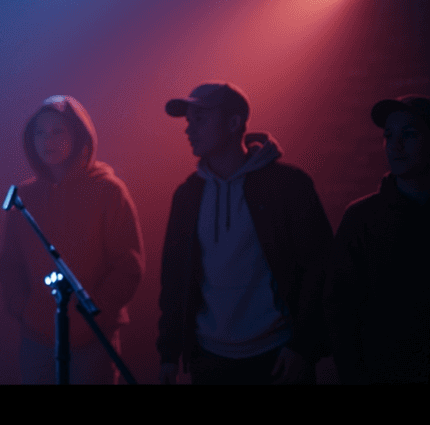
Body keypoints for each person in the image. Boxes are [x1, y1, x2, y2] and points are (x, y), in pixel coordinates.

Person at [158, 82, 333, 385]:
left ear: (233, 123)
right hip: (210, 359)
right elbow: (174, 279)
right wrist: (169, 354)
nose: (189, 129)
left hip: (277, 355)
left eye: (200, 119)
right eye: (188, 120)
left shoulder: (287, 185)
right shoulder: (188, 195)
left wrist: (303, 347)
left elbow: (320, 268)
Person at [0, 94, 144, 384]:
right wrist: (24, 309)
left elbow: (128, 265)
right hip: (38, 339)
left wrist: (94, 316)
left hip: (93, 340)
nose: (47, 140)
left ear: (78, 135)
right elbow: (10, 264)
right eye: (40, 132)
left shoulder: (108, 191)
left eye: (57, 131)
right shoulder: (24, 196)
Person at [326, 94, 430, 384]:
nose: (395, 145)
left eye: (409, 134)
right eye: (388, 135)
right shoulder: (361, 218)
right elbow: (340, 306)